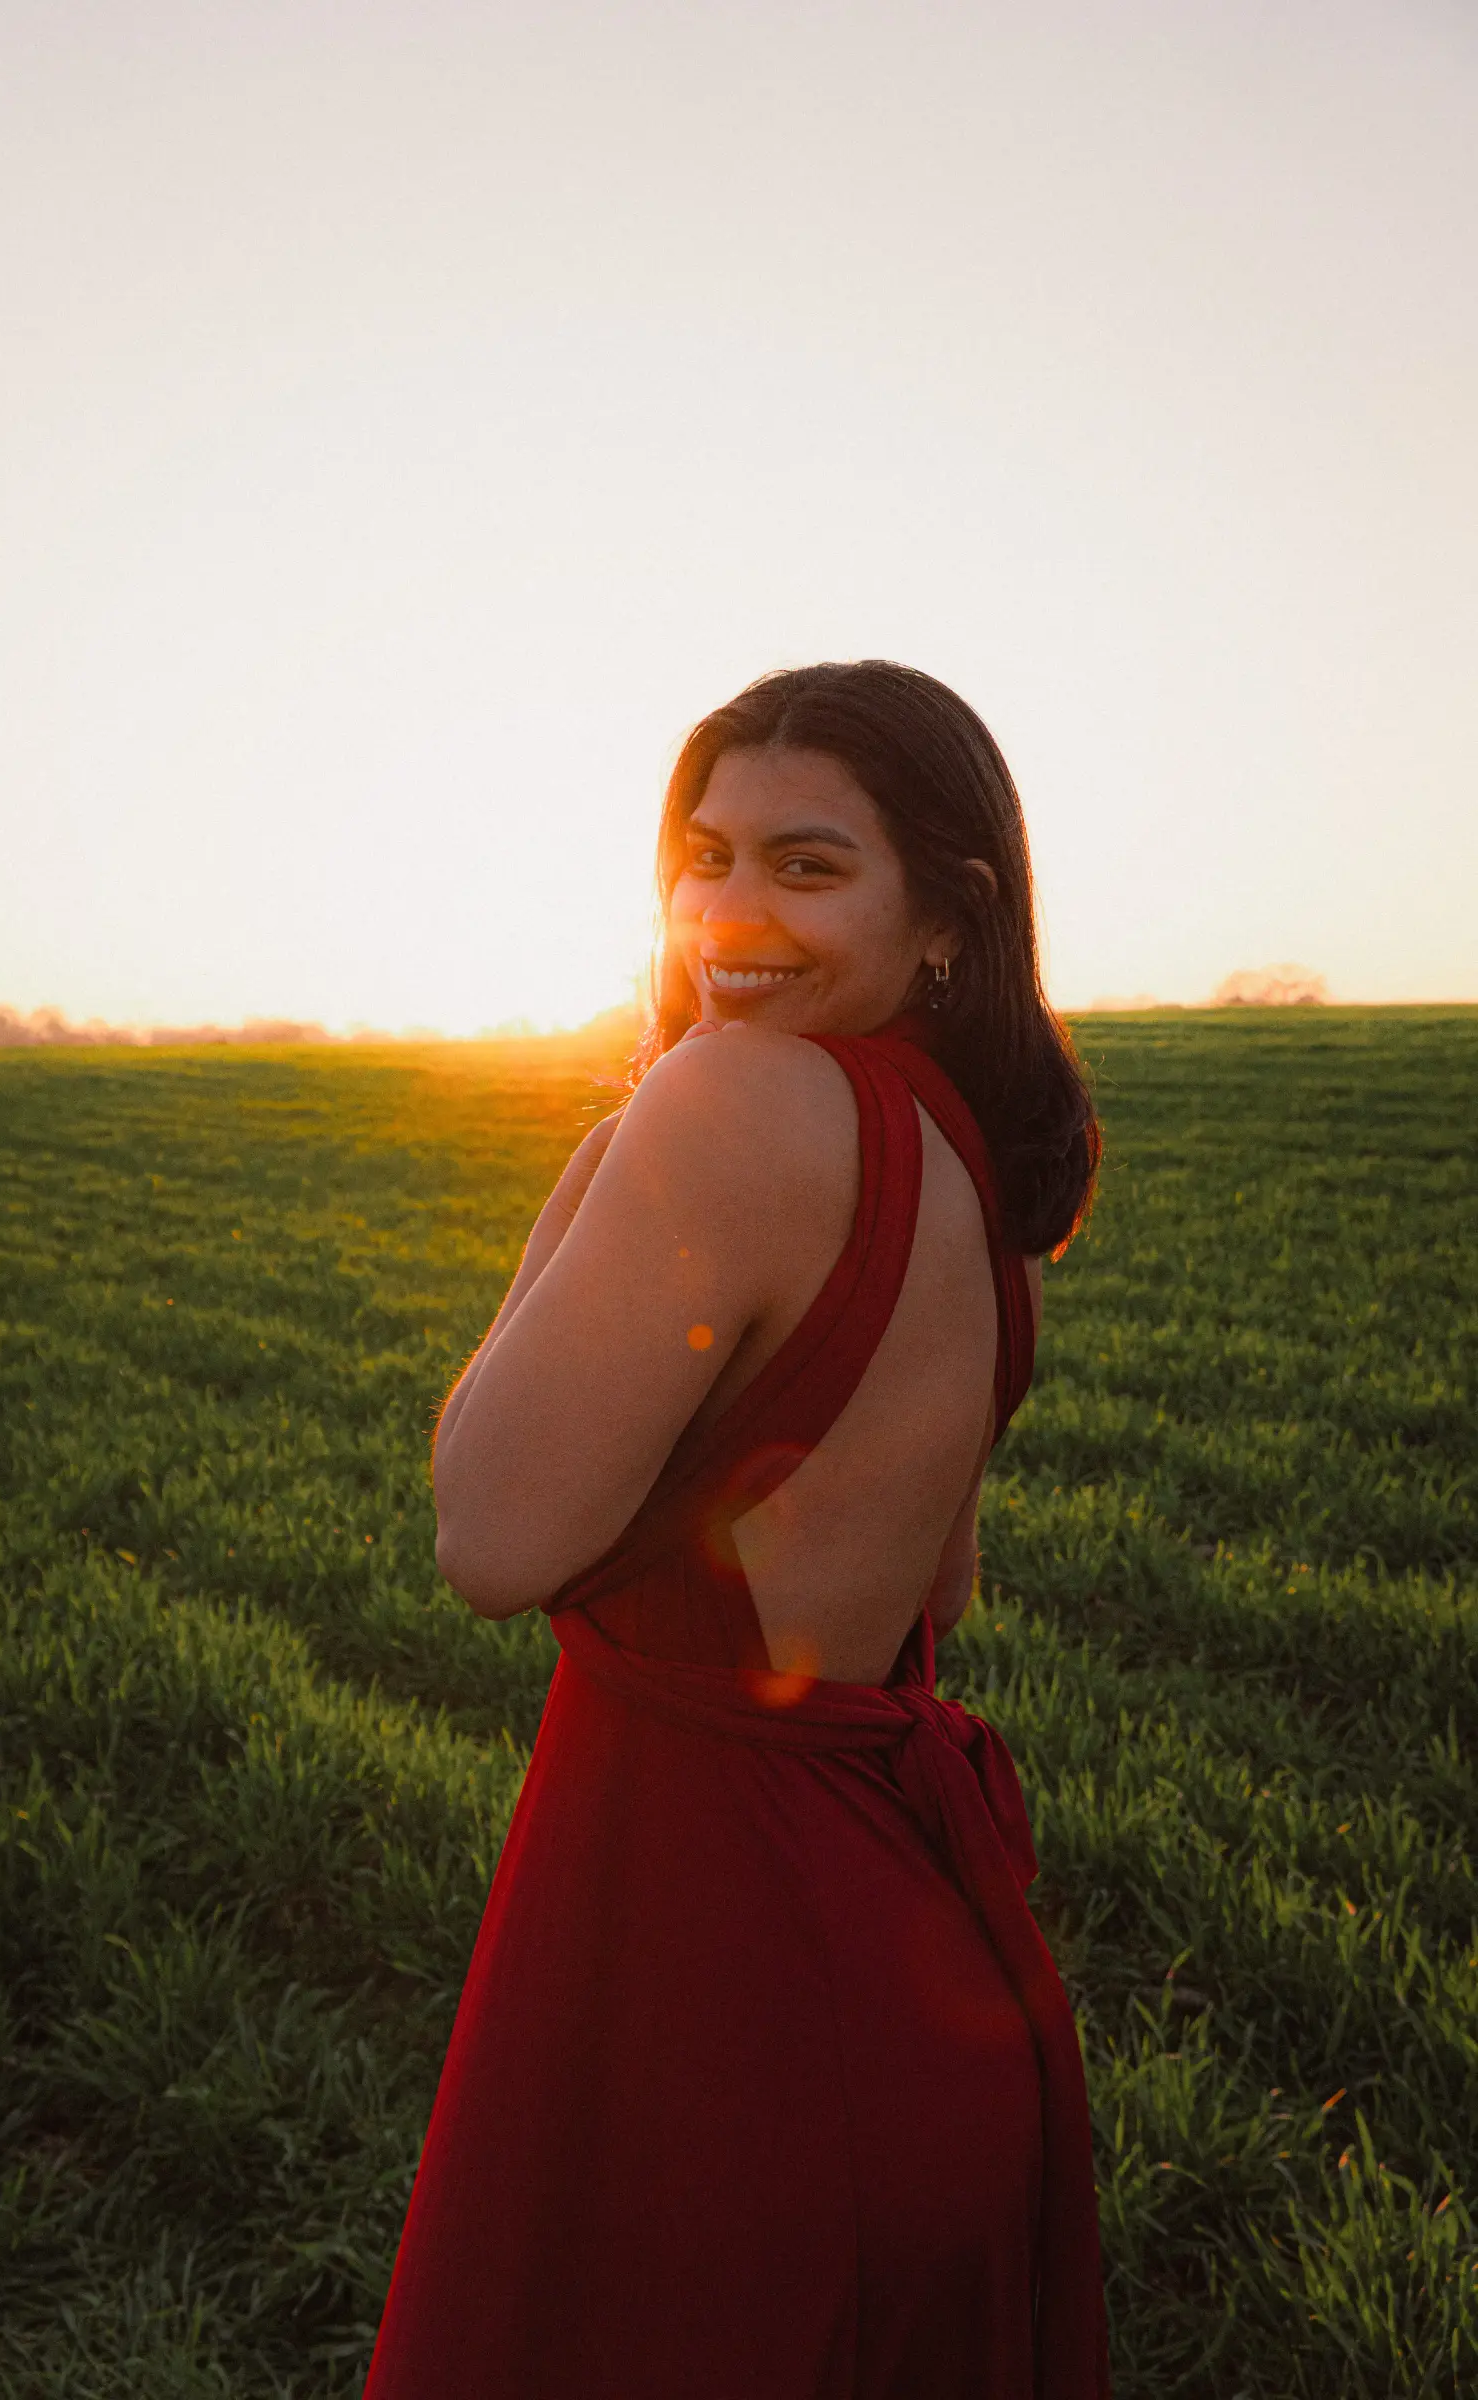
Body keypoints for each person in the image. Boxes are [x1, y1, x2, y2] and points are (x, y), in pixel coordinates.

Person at [364, 660, 1109, 2400]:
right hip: (912, 1953)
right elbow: (940, 1584)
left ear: (949, 918)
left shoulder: (727, 1101)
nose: (730, 914)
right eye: (705, 858)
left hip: (701, 1969)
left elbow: (491, 1537)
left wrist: (624, 1137)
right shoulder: (988, 1200)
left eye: (807, 865)